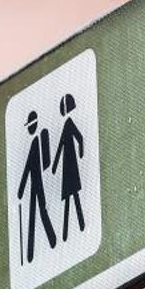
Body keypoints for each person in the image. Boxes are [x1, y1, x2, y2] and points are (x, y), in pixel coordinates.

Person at [15, 107, 56, 261]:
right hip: (33, 185)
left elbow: (45, 163)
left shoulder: (42, 137)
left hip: (40, 183)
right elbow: (27, 168)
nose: (30, 128)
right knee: (33, 215)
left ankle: (51, 239)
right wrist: (21, 189)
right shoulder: (31, 143)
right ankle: (31, 252)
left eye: (31, 125)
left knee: (41, 213)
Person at [53, 92, 87, 240]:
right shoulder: (66, 124)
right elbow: (60, 147)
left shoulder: (70, 123)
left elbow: (79, 138)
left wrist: (80, 154)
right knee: (69, 198)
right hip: (67, 167)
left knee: (74, 197)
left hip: (71, 166)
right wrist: (54, 166)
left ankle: (79, 225)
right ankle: (67, 232)